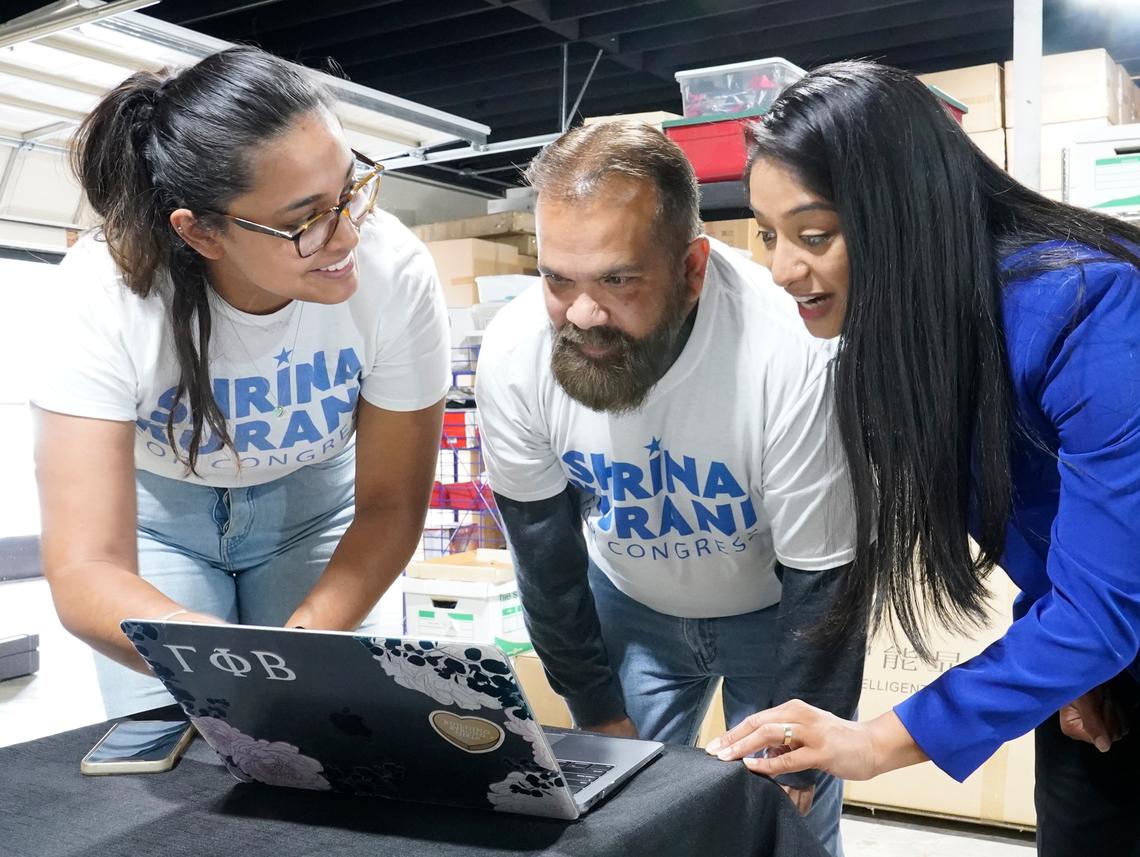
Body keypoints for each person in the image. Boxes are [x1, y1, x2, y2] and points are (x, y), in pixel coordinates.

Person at [708, 60, 1140, 856]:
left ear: (903, 213)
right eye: (770, 235)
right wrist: (1086, 668)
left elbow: (1107, 600)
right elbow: (1069, 560)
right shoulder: (911, 335)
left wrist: (873, 742)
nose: (781, 270)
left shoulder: (1089, 307)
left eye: (814, 235)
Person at [474, 119, 863, 856]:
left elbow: (827, 575)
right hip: (629, 603)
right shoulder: (516, 350)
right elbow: (545, 553)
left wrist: (795, 745)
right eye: (559, 278)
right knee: (615, 820)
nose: (582, 315)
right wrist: (594, 707)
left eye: (618, 280)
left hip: (776, 612)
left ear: (690, 270)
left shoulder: (791, 349)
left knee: (788, 827)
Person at [31, 46, 449, 718]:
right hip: (161, 525)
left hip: (319, 512)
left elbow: (391, 506)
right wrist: (230, 663)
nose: (345, 236)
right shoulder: (101, 292)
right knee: (185, 733)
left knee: (330, 728)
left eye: (349, 188)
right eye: (301, 220)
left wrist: (297, 650)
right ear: (201, 232)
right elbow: (87, 570)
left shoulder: (394, 270)